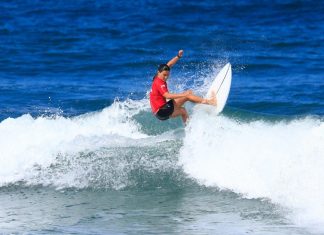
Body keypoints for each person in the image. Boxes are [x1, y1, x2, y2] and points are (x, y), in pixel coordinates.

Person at [149, 50, 217, 123]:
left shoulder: (157, 77)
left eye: (167, 75)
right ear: (159, 72)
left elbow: (169, 65)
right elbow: (167, 95)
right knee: (186, 96)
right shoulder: (159, 82)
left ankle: (189, 130)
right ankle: (211, 102)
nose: (166, 77)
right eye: (164, 75)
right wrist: (184, 94)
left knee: (183, 111)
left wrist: (178, 56)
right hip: (162, 110)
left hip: (159, 114)